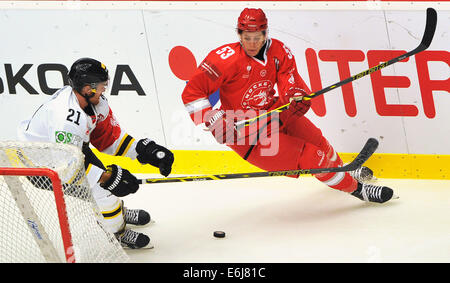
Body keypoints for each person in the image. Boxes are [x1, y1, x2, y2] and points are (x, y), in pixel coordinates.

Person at [181, 8, 396, 203]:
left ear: (266, 33)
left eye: (257, 38)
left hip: (276, 115)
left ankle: (344, 172)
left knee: (321, 144)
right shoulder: (223, 59)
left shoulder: (279, 50)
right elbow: (192, 93)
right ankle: (358, 190)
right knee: (312, 157)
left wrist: (296, 96)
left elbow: (289, 80)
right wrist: (213, 119)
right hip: (248, 136)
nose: (252, 44)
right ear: (239, 35)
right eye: (247, 38)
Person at [17, 58, 174, 249]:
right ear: (86, 88)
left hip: (67, 151)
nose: (104, 90)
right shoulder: (67, 118)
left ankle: (117, 213)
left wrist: (143, 151)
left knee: (107, 184)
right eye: (101, 86)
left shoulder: (94, 102)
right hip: (41, 166)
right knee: (104, 189)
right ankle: (117, 233)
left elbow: (108, 138)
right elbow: (66, 168)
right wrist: (106, 178)